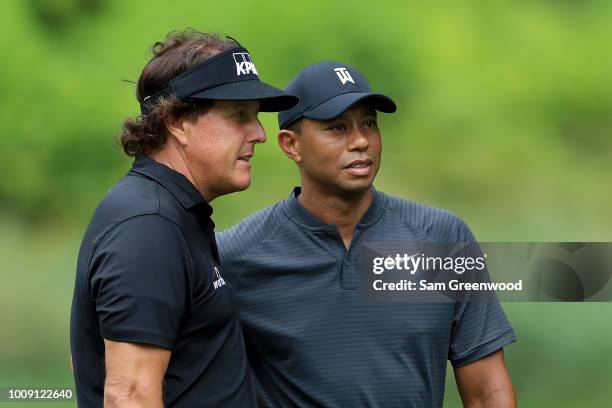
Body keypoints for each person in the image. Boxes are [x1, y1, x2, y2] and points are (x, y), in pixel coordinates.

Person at [217, 61, 517, 407]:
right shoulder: (234, 257)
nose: (360, 141)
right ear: (291, 144)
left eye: (369, 124)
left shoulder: (443, 238)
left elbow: (486, 392)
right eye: (338, 127)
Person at [70, 30, 297, 408]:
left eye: (256, 117)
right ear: (177, 121)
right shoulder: (148, 226)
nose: (259, 133)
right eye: (239, 116)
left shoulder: (171, 212)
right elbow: (130, 396)